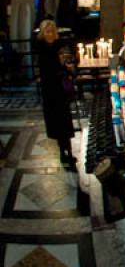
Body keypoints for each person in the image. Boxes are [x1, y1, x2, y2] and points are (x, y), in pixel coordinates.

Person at [36, 20, 76, 164]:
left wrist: (68, 67)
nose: (50, 34)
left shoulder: (60, 46)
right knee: (57, 123)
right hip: (50, 91)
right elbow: (48, 70)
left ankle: (69, 151)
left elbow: (67, 61)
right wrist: (61, 67)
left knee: (65, 121)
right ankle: (62, 152)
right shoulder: (42, 49)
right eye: (47, 31)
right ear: (43, 33)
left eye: (52, 31)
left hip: (61, 90)